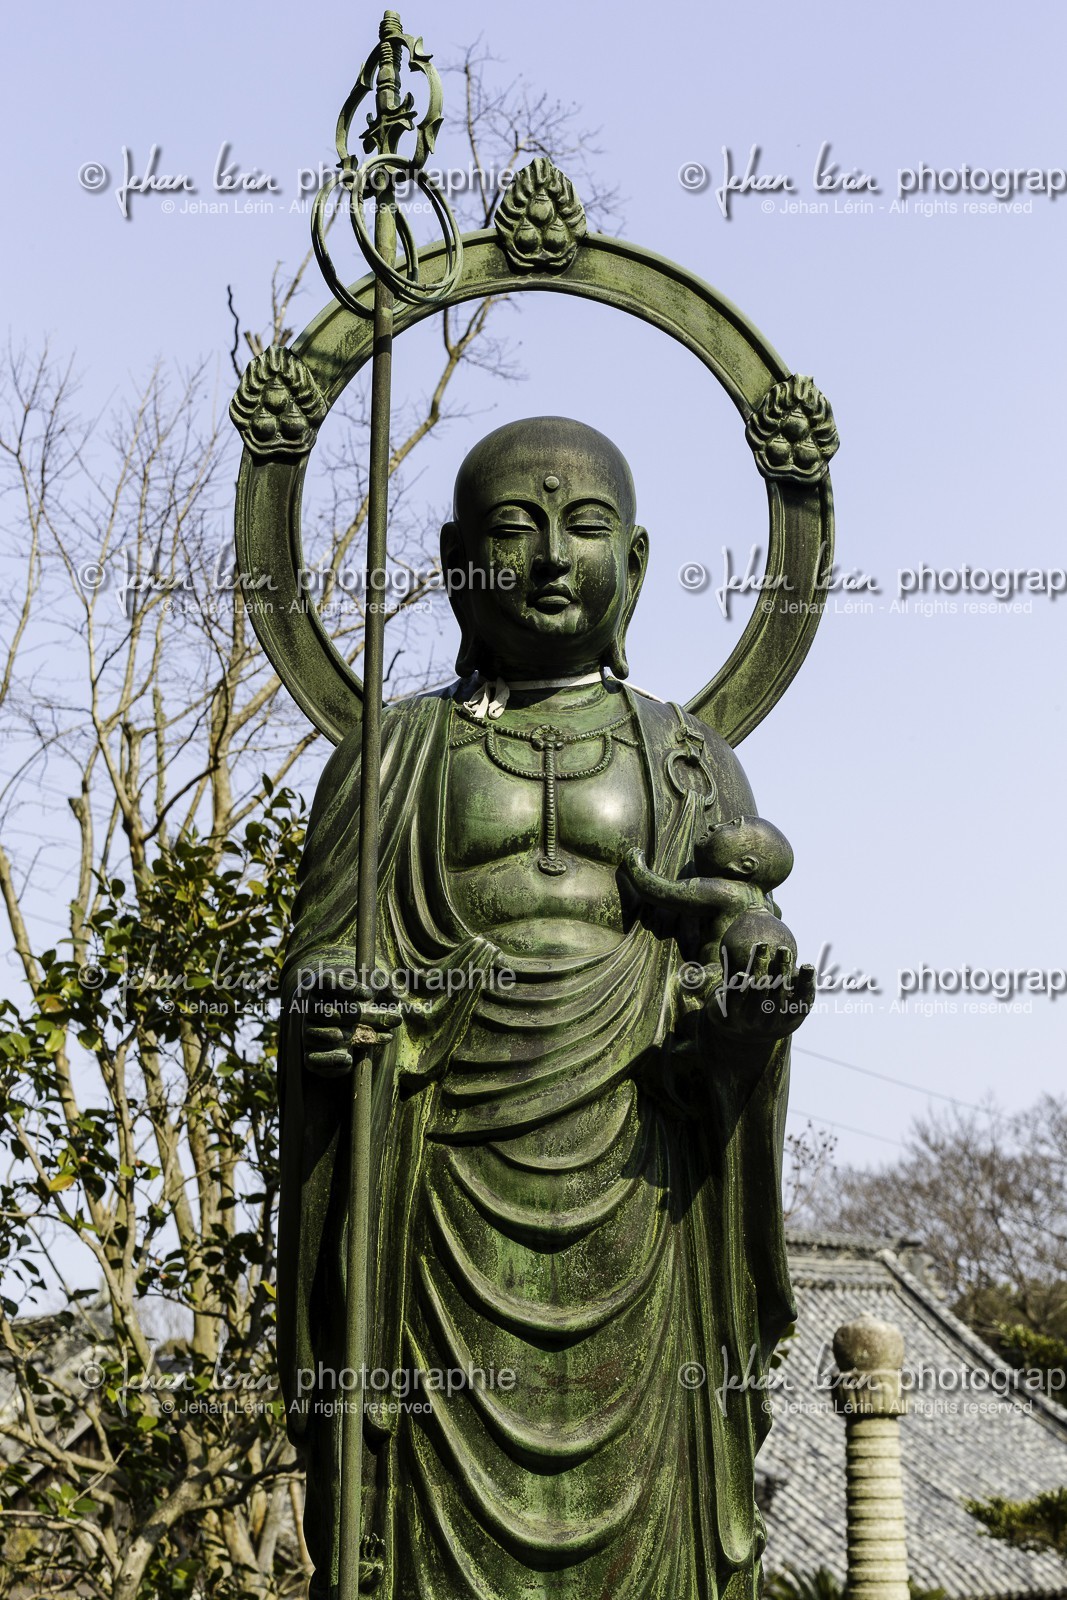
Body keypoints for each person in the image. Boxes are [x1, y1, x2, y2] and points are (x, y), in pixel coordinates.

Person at [277, 416, 814, 1600]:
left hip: (640, 1180)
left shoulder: (688, 758)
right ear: (454, 557)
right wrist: (326, 1011)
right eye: (512, 530)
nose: (550, 560)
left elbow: (729, 942)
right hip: (439, 1181)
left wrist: (748, 1005)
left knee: (645, 1526)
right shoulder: (392, 749)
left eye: (584, 528)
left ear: (634, 555)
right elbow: (318, 961)